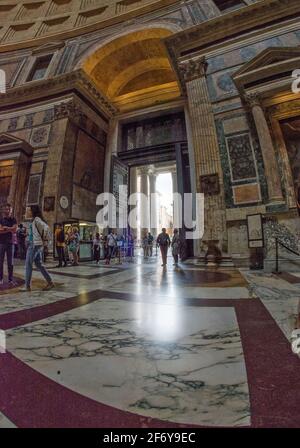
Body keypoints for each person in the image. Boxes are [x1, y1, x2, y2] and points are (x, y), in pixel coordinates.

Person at [19, 205, 54, 292]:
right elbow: (35, 233)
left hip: (34, 245)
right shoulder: (34, 220)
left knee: (28, 265)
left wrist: (43, 240)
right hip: (36, 244)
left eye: (29, 210)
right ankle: (50, 282)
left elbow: (47, 228)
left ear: (33, 211)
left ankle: (27, 286)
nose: (27, 212)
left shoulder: (37, 219)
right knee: (39, 264)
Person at [0, 204, 17, 286]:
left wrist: (5, 228)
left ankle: (10, 279)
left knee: (10, 263)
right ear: (4, 210)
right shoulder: (1, 220)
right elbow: (0, 231)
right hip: (1, 243)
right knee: (0, 262)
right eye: (6, 209)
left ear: (11, 210)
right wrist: (9, 229)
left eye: (9, 209)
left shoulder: (14, 219)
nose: (7, 211)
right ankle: (0, 279)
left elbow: (15, 230)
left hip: (11, 243)